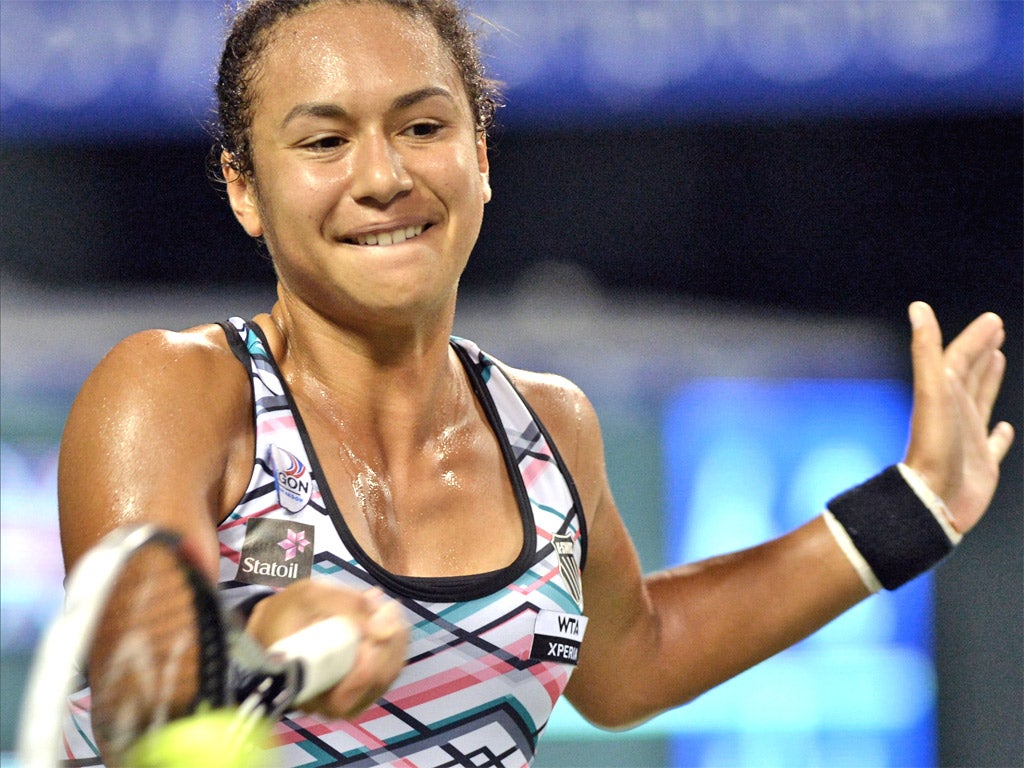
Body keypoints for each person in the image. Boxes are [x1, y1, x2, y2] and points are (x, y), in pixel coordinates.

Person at [56, 0, 1014, 765]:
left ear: (480, 155)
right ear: (242, 188)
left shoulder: (551, 427)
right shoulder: (173, 389)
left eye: (423, 125)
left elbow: (634, 663)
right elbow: (143, 681)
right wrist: (272, 635)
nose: (383, 176)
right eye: (323, 142)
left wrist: (913, 507)